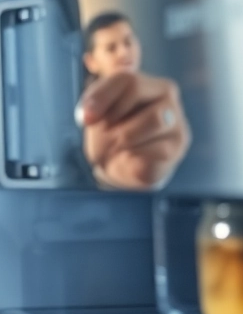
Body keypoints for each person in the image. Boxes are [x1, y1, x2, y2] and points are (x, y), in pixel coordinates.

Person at [79, 11, 191, 191]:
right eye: (111, 48)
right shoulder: (83, 116)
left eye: (128, 42)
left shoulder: (164, 98)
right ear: (91, 62)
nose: (123, 53)